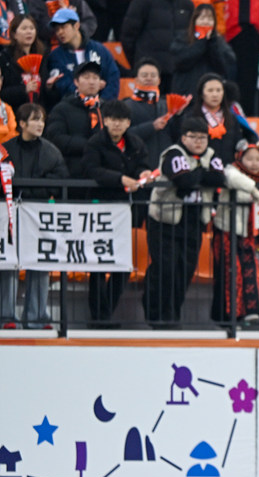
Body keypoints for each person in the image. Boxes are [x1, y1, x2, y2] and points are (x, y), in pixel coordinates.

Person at [144, 115, 227, 328]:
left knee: (185, 270)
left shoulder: (212, 154)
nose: (199, 142)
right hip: (165, 220)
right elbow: (183, 180)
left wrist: (194, 175)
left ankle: (172, 315)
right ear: (183, 137)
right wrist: (201, 173)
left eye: (203, 137)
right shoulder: (173, 153)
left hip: (194, 220)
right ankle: (156, 315)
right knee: (166, 268)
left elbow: (219, 178)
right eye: (194, 137)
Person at [80, 99, 152, 328]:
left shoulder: (136, 143)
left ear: (129, 123)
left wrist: (144, 172)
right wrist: (120, 179)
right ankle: (98, 317)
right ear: (105, 121)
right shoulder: (95, 142)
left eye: (122, 120)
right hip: (101, 209)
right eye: (113, 119)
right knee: (99, 265)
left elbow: (141, 164)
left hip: (126, 211)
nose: (117, 124)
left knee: (122, 265)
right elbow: (92, 170)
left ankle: (106, 313)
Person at [0, 102, 68, 329]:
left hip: (39, 216)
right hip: (9, 215)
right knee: (8, 263)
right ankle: (6, 316)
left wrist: (32, 188)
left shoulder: (51, 151)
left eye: (42, 120)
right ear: (21, 123)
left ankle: (37, 317)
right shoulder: (5, 149)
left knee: (40, 261)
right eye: (35, 120)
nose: (40, 124)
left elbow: (61, 178)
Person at [213, 139, 259, 324]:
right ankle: (229, 317)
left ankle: (250, 311)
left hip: (248, 234)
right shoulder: (231, 171)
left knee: (250, 270)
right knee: (230, 273)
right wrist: (255, 192)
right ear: (240, 158)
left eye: (258, 159)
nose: (254, 163)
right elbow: (233, 180)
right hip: (228, 231)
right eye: (249, 158)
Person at [178, 72, 255, 165]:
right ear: (202, 94)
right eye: (210, 90)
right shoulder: (191, 116)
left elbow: (238, 142)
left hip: (228, 167)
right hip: (199, 166)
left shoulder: (232, 117)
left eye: (218, 90)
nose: (215, 94)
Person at [44, 60, 104, 178]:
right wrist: (90, 145)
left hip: (103, 172)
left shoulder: (107, 108)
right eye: (86, 77)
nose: (91, 82)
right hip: (73, 171)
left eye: (95, 78)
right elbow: (55, 138)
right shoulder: (62, 108)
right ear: (76, 82)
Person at [120, 0, 193, 96]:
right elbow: (128, 36)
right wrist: (140, 63)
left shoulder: (187, 4)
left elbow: (191, 36)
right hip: (150, 72)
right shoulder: (142, 2)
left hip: (178, 72)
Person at [46, 7, 119, 101]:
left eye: (63, 27)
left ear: (76, 26)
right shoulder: (55, 56)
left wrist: (102, 102)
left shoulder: (99, 50)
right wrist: (88, 91)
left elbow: (113, 77)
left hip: (102, 105)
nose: (60, 32)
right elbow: (62, 85)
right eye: (57, 29)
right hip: (72, 106)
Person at [169, 3, 235, 96]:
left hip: (211, 94)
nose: (206, 22)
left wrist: (212, 43)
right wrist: (201, 42)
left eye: (210, 19)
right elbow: (179, 61)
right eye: (202, 18)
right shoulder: (183, 38)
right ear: (194, 20)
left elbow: (224, 67)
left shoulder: (220, 42)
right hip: (186, 91)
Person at [124, 58, 174, 171]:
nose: (149, 78)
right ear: (136, 80)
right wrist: (151, 127)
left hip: (166, 165)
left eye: (153, 75)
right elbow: (123, 135)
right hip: (139, 166)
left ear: (159, 80)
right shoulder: (127, 105)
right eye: (144, 75)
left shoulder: (167, 104)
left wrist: (179, 115)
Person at [0, 15, 48, 112]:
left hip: (40, 112)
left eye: (32, 28)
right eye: (24, 28)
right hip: (16, 112)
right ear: (14, 34)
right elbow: (3, 93)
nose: (29, 32)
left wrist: (49, 87)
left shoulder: (44, 54)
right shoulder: (5, 58)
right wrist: (23, 90)